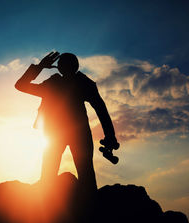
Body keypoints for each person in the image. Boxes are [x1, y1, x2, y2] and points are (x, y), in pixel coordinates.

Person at [15, 51, 118, 192]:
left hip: (58, 134)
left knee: (51, 176)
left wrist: (40, 67)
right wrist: (110, 136)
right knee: (83, 175)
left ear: (59, 67)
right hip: (70, 133)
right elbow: (101, 110)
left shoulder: (55, 83)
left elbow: (21, 85)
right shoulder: (82, 83)